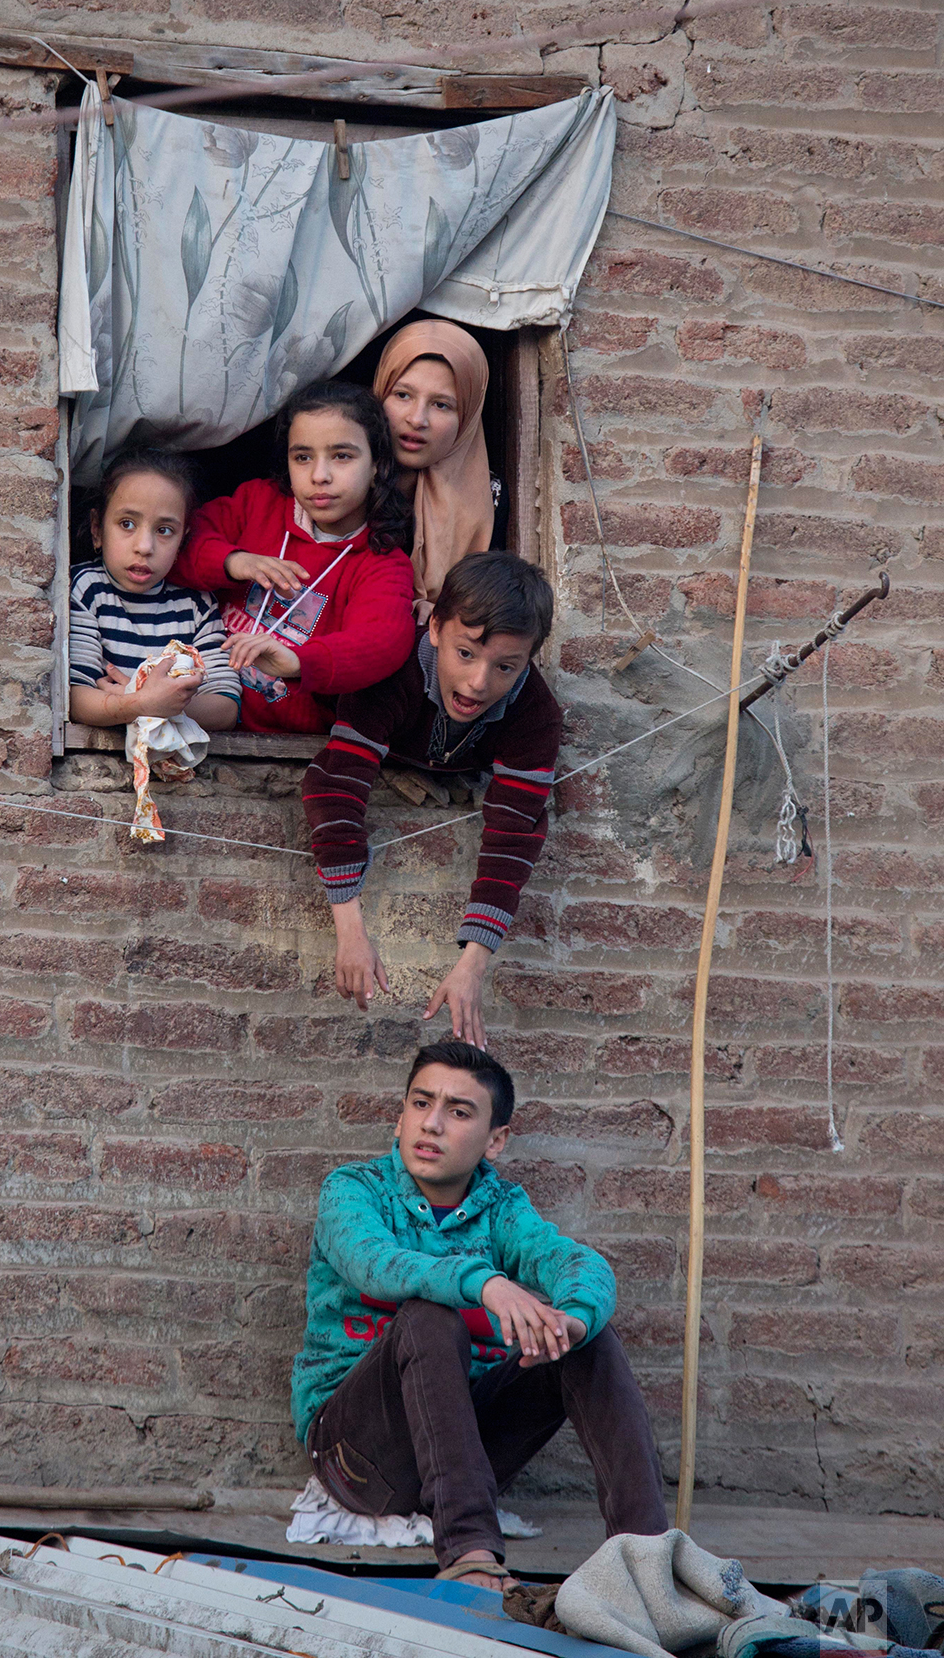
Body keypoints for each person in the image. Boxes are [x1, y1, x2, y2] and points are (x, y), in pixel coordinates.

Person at [292, 1039, 668, 1591]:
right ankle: (469, 1554)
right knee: (428, 1317)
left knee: (587, 1338)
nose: (433, 1124)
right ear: (399, 1118)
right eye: (420, 1104)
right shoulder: (354, 1191)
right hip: (360, 1457)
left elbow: (573, 1260)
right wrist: (486, 1284)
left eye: (459, 1111)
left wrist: (576, 1319)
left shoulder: (502, 1209)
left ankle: (648, 1561)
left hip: (466, 1451)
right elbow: (375, 1263)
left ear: (496, 1140)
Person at [303, 550, 560, 1047]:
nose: (479, 682)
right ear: (435, 627)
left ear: (529, 659)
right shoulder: (390, 671)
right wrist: (350, 929)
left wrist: (473, 965)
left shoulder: (535, 714)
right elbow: (336, 785)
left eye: (506, 666)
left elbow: (515, 835)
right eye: (465, 653)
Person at [170, 380, 416, 734]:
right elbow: (177, 541)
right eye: (303, 457)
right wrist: (233, 561)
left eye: (342, 456)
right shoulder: (258, 503)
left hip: (282, 743)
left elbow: (383, 641)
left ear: (377, 464)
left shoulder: (381, 562)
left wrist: (299, 661)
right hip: (199, 706)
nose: (319, 476)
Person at [68, 448, 241, 731]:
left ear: (182, 540)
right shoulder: (86, 589)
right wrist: (141, 703)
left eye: (164, 530)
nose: (145, 547)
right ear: (97, 529)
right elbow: (75, 699)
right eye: (127, 524)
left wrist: (157, 702)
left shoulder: (196, 604)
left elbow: (225, 709)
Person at [375, 319, 501, 621]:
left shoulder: (489, 495)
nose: (417, 419)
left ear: (468, 415)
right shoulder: (344, 477)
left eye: (441, 405)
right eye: (403, 395)